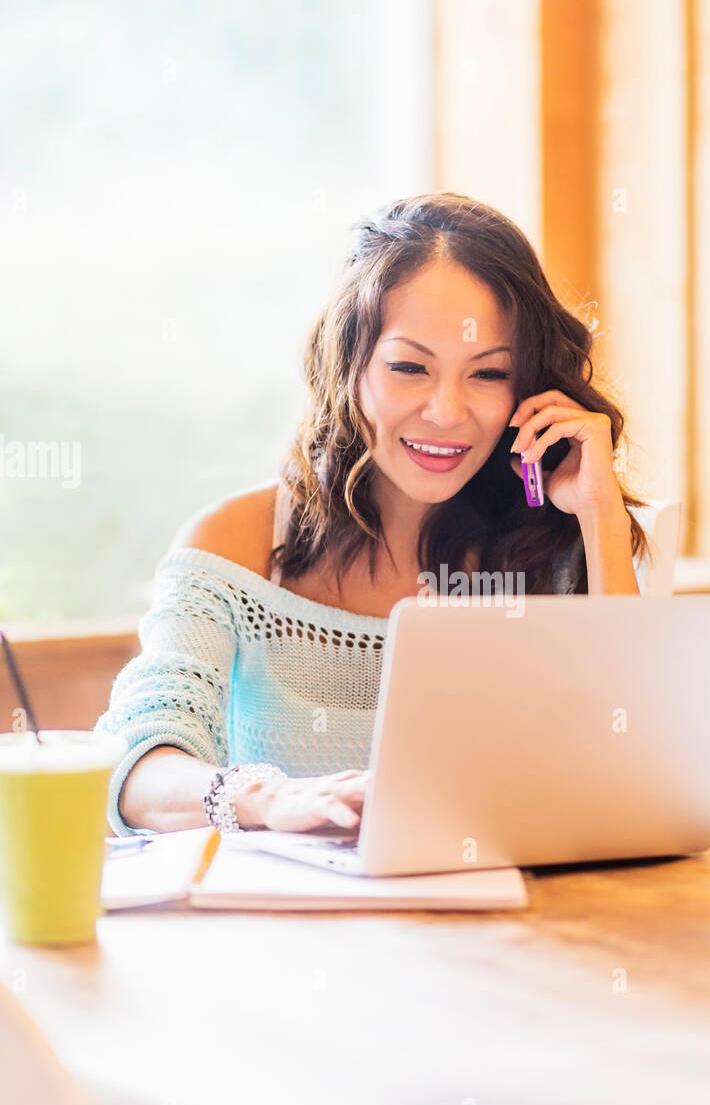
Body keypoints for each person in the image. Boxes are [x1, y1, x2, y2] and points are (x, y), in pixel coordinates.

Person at [95, 192, 647, 838]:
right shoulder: (233, 542)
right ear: (347, 365)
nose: (447, 411)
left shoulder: (550, 541)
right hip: (287, 926)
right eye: (409, 367)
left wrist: (602, 517)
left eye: (489, 374)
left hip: (504, 919)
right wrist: (266, 799)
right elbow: (140, 766)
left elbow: (635, 764)